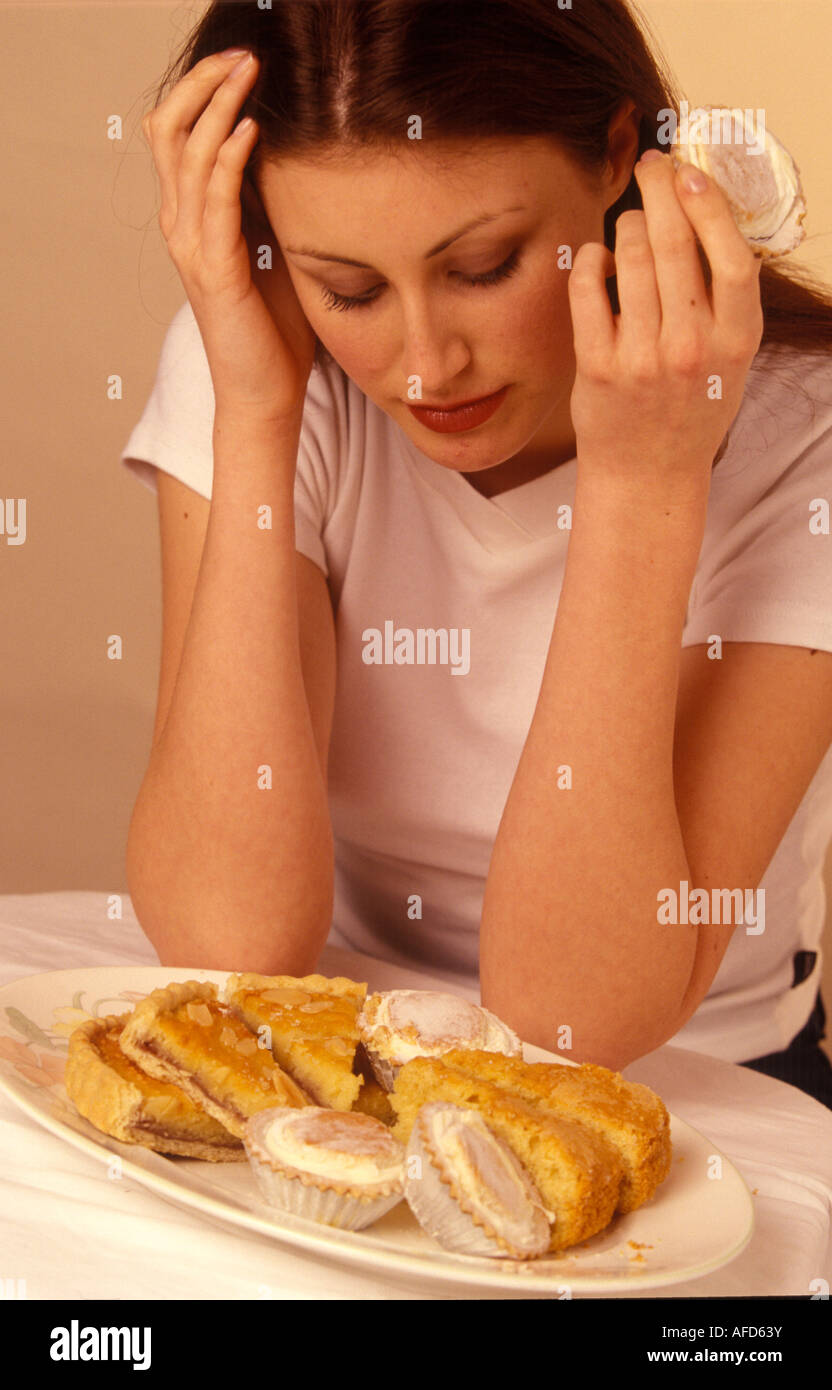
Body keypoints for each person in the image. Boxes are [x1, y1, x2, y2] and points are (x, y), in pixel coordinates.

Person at [120, 0, 832, 1109]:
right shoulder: (262, 361)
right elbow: (227, 939)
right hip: (337, 1049)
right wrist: (254, 417)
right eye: (348, 290)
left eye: (486, 266)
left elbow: (571, 1020)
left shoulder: (808, 437)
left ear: (613, 152)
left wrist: (642, 487)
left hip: (692, 1090)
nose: (424, 364)